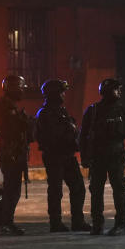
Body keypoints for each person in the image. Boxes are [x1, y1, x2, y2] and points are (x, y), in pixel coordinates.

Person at [79, 78, 125, 236]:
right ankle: (97, 224)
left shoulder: (123, 110)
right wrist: (84, 157)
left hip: (116, 156)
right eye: (116, 89)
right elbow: (82, 136)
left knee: (119, 189)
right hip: (97, 157)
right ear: (107, 91)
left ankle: (121, 224)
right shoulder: (93, 110)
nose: (119, 92)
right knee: (96, 191)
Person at [35, 79, 91, 232]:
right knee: (55, 190)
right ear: (54, 94)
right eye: (61, 92)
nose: (63, 95)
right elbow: (55, 135)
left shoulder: (61, 111)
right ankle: (55, 222)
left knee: (78, 188)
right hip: (54, 156)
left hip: (67, 155)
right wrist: (69, 131)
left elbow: (72, 130)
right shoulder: (45, 113)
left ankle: (78, 221)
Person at [0, 74, 33, 236]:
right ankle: (7, 223)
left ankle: (8, 222)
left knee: (13, 190)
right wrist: (25, 123)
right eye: (20, 88)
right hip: (11, 154)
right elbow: (11, 131)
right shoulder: (5, 109)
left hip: (14, 153)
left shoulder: (9, 107)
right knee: (11, 191)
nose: (23, 92)